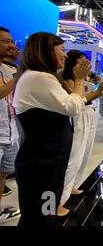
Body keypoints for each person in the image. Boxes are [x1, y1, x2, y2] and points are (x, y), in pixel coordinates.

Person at [13, 32, 91, 226]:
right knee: (40, 217)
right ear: (45, 51)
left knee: (44, 214)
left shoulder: (41, 77)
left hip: (48, 163)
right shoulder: (38, 77)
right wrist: (79, 79)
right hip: (41, 166)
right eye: (62, 50)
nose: (65, 55)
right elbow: (73, 106)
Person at [58, 50, 103, 216]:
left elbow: (87, 98)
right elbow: (77, 101)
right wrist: (96, 92)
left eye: (86, 60)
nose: (86, 63)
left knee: (84, 154)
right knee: (74, 156)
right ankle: (59, 199)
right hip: (78, 117)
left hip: (88, 114)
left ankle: (71, 186)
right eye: (81, 60)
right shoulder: (68, 79)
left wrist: (99, 91)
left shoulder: (84, 79)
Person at [0, 27, 20, 223]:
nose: (12, 45)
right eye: (6, 41)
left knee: (3, 174)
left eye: (12, 41)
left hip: (9, 131)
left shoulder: (7, 69)